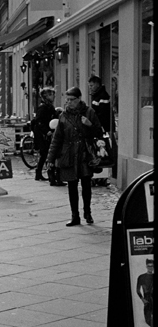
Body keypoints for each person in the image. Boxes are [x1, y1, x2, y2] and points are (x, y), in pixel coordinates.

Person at [46, 86, 104, 226]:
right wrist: (50, 159)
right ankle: (75, 216)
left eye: (72, 100)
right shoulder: (63, 116)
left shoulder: (89, 112)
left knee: (86, 185)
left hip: (85, 154)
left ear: (79, 99)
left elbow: (99, 133)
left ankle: (87, 213)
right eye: (67, 100)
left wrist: (89, 125)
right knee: (72, 186)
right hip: (69, 154)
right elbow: (57, 139)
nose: (69, 102)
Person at [33, 87, 62, 184]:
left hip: (45, 134)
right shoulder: (43, 107)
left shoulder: (48, 106)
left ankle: (40, 173)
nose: (54, 97)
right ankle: (50, 176)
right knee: (47, 154)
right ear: (47, 96)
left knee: (45, 154)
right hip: (43, 136)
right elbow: (39, 121)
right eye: (52, 95)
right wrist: (46, 131)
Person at [136, 259, 153, 327]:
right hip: (147, 300)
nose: (150, 267)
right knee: (148, 321)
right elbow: (138, 290)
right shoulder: (142, 277)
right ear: (146, 266)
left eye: (152, 266)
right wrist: (142, 299)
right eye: (149, 266)